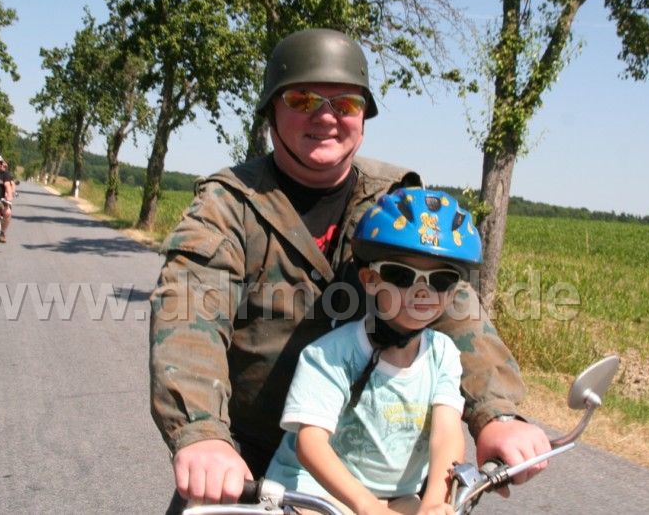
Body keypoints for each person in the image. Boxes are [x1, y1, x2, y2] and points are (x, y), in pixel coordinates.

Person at [149, 29, 550, 511]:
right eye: (302, 99)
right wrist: (202, 434)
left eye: (346, 103)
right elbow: (189, 312)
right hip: (248, 466)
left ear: (364, 117)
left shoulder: (396, 202)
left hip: (372, 471)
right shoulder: (229, 204)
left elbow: (453, 304)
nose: (325, 116)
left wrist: (496, 413)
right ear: (272, 110)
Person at [265, 187, 479, 515]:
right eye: (401, 275)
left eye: (441, 279)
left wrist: (435, 501)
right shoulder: (330, 355)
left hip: (396, 496)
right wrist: (365, 506)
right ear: (370, 280)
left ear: (453, 291)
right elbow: (311, 445)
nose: (422, 290)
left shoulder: (443, 355)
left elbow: (447, 433)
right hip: (315, 489)